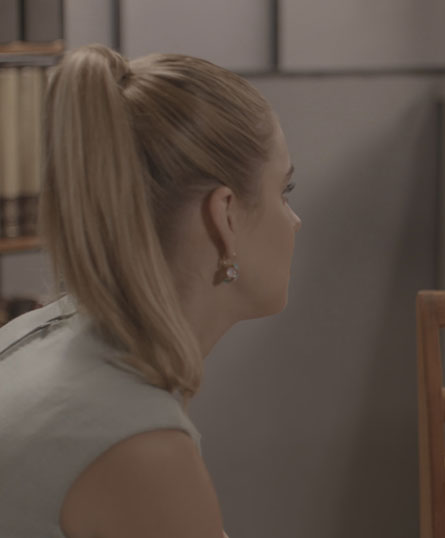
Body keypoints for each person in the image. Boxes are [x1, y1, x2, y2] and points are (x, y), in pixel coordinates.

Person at [0, 44, 301, 538]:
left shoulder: (31, 335)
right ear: (224, 216)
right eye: (284, 192)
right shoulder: (139, 446)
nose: (295, 221)